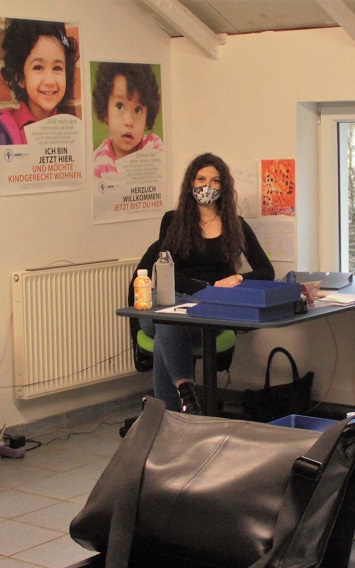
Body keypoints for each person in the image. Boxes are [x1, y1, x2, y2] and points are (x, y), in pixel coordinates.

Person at [137, 153, 274, 413]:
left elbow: (267, 271)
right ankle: (187, 395)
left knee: (167, 332)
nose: (206, 186)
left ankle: (173, 413)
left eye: (214, 181)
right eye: (200, 179)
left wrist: (238, 278)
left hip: (207, 309)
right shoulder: (172, 221)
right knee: (168, 319)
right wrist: (203, 289)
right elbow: (166, 271)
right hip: (169, 298)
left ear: (223, 187)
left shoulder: (236, 225)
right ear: (190, 183)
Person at [0, 19, 78, 146]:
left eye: (57, 68)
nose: (50, 81)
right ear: (21, 78)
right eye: (38, 67)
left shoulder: (72, 131)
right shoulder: (3, 129)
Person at [92, 62, 164, 177]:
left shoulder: (153, 148)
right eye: (120, 106)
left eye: (138, 110)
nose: (129, 121)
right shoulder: (97, 163)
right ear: (105, 111)